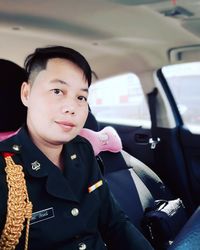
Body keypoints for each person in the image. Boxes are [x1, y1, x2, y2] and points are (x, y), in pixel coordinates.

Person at [0, 46, 154, 250]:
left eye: (81, 97)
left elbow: (116, 223)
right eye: (57, 91)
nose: (71, 107)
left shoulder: (83, 150)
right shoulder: (5, 168)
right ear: (26, 94)